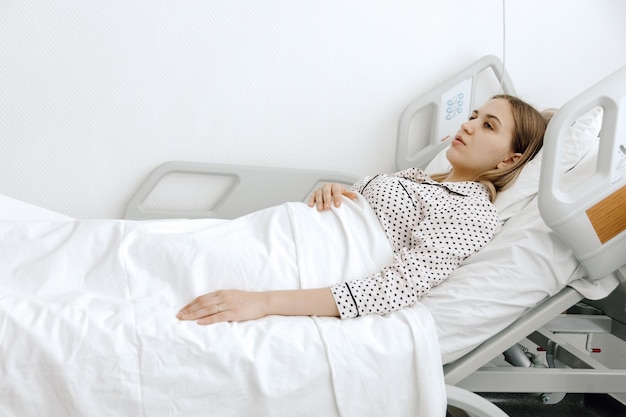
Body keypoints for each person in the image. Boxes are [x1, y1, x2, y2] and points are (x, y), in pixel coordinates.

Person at [177, 94, 547, 325]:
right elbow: (366, 211)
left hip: (293, 264)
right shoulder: (422, 178)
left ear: (508, 160)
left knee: (174, 264)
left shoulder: (473, 213)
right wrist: (335, 192)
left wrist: (264, 302)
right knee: (174, 250)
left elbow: (396, 289)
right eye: (473, 115)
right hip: (281, 232)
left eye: (488, 125)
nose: (468, 125)